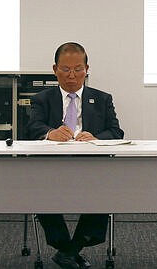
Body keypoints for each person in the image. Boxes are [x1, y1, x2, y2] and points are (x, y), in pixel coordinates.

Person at [27, 42, 124, 269]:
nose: (72, 76)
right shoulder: (42, 99)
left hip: (91, 166)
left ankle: (70, 250)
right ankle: (67, 249)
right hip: (51, 167)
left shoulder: (102, 99)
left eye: (78, 69)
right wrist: (50, 133)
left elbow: (116, 131)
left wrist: (96, 138)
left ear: (87, 69)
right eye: (66, 69)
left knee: (105, 190)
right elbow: (32, 128)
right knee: (37, 189)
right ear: (55, 69)